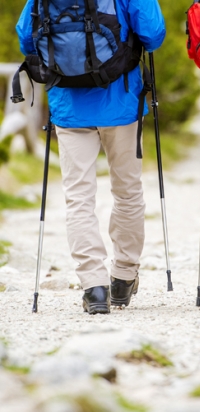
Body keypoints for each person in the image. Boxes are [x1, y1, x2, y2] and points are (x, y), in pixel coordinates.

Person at [16, 0, 166, 314]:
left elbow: (26, 38)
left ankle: (93, 287)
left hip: (69, 106)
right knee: (126, 191)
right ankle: (123, 277)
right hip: (121, 103)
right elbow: (153, 35)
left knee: (79, 197)